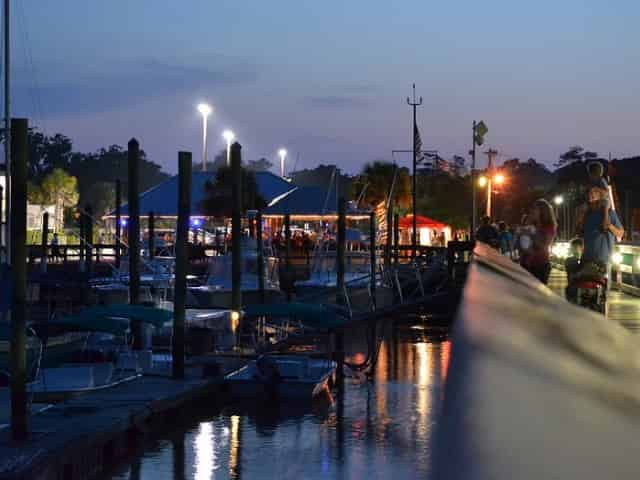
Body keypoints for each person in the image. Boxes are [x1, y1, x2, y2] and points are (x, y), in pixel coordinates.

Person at [576, 186, 624, 274]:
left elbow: (620, 233)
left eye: (595, 192)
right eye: (590, 193)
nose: (591, 194)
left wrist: (609, 225)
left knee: (602, 285)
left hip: (603, 260)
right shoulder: (587, 215)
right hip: (587, 259)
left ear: (601, 197)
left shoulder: (610, 213)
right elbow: (580, 233)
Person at [519, 199, 557, 284]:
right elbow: (522, 245)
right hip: (525, 264)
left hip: (540, 265)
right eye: (532, 208)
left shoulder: (548, 227)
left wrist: (531, 233)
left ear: (542, 211)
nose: (532, 211)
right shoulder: (531, 225)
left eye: (535, 209)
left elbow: (543, 246)